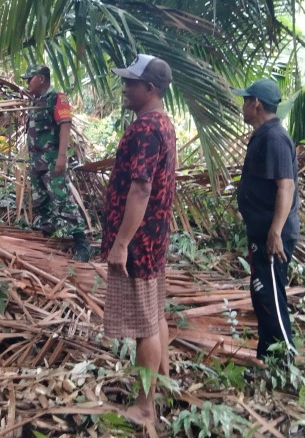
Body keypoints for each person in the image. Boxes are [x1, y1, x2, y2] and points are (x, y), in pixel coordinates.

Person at [101, 54, 176, 427]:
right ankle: (163, 382)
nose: (125, 88)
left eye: (131, 82)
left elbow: (142, 187)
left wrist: (122, 243)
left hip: (140, 243)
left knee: (145, 324)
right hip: (153, 238)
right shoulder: (162, 122)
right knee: (154, 313)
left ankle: (145, 406)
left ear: (149, 88)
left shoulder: (147, 128)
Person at [233, 78, 298, 360]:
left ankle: (285, 359)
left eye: (246, 100)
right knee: (263, 294)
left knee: (270, 295)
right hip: (262, 231)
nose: (243, 106)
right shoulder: (265, 135)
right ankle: (266, 357)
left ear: (256, 103)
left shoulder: (275, 138)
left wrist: (275, 231)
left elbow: (287, 186)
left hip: (273, 235)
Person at [20, 64, 89, 262]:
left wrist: (61, 157)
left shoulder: (56, 98)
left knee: (62, 199)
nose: (27, 83)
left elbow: (65, 125)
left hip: (51, 162)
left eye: (29, 78)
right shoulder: (36, 101)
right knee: (41, 200)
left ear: (41, 79)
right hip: (36, 162)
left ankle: (81, 243)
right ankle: (47, 239)